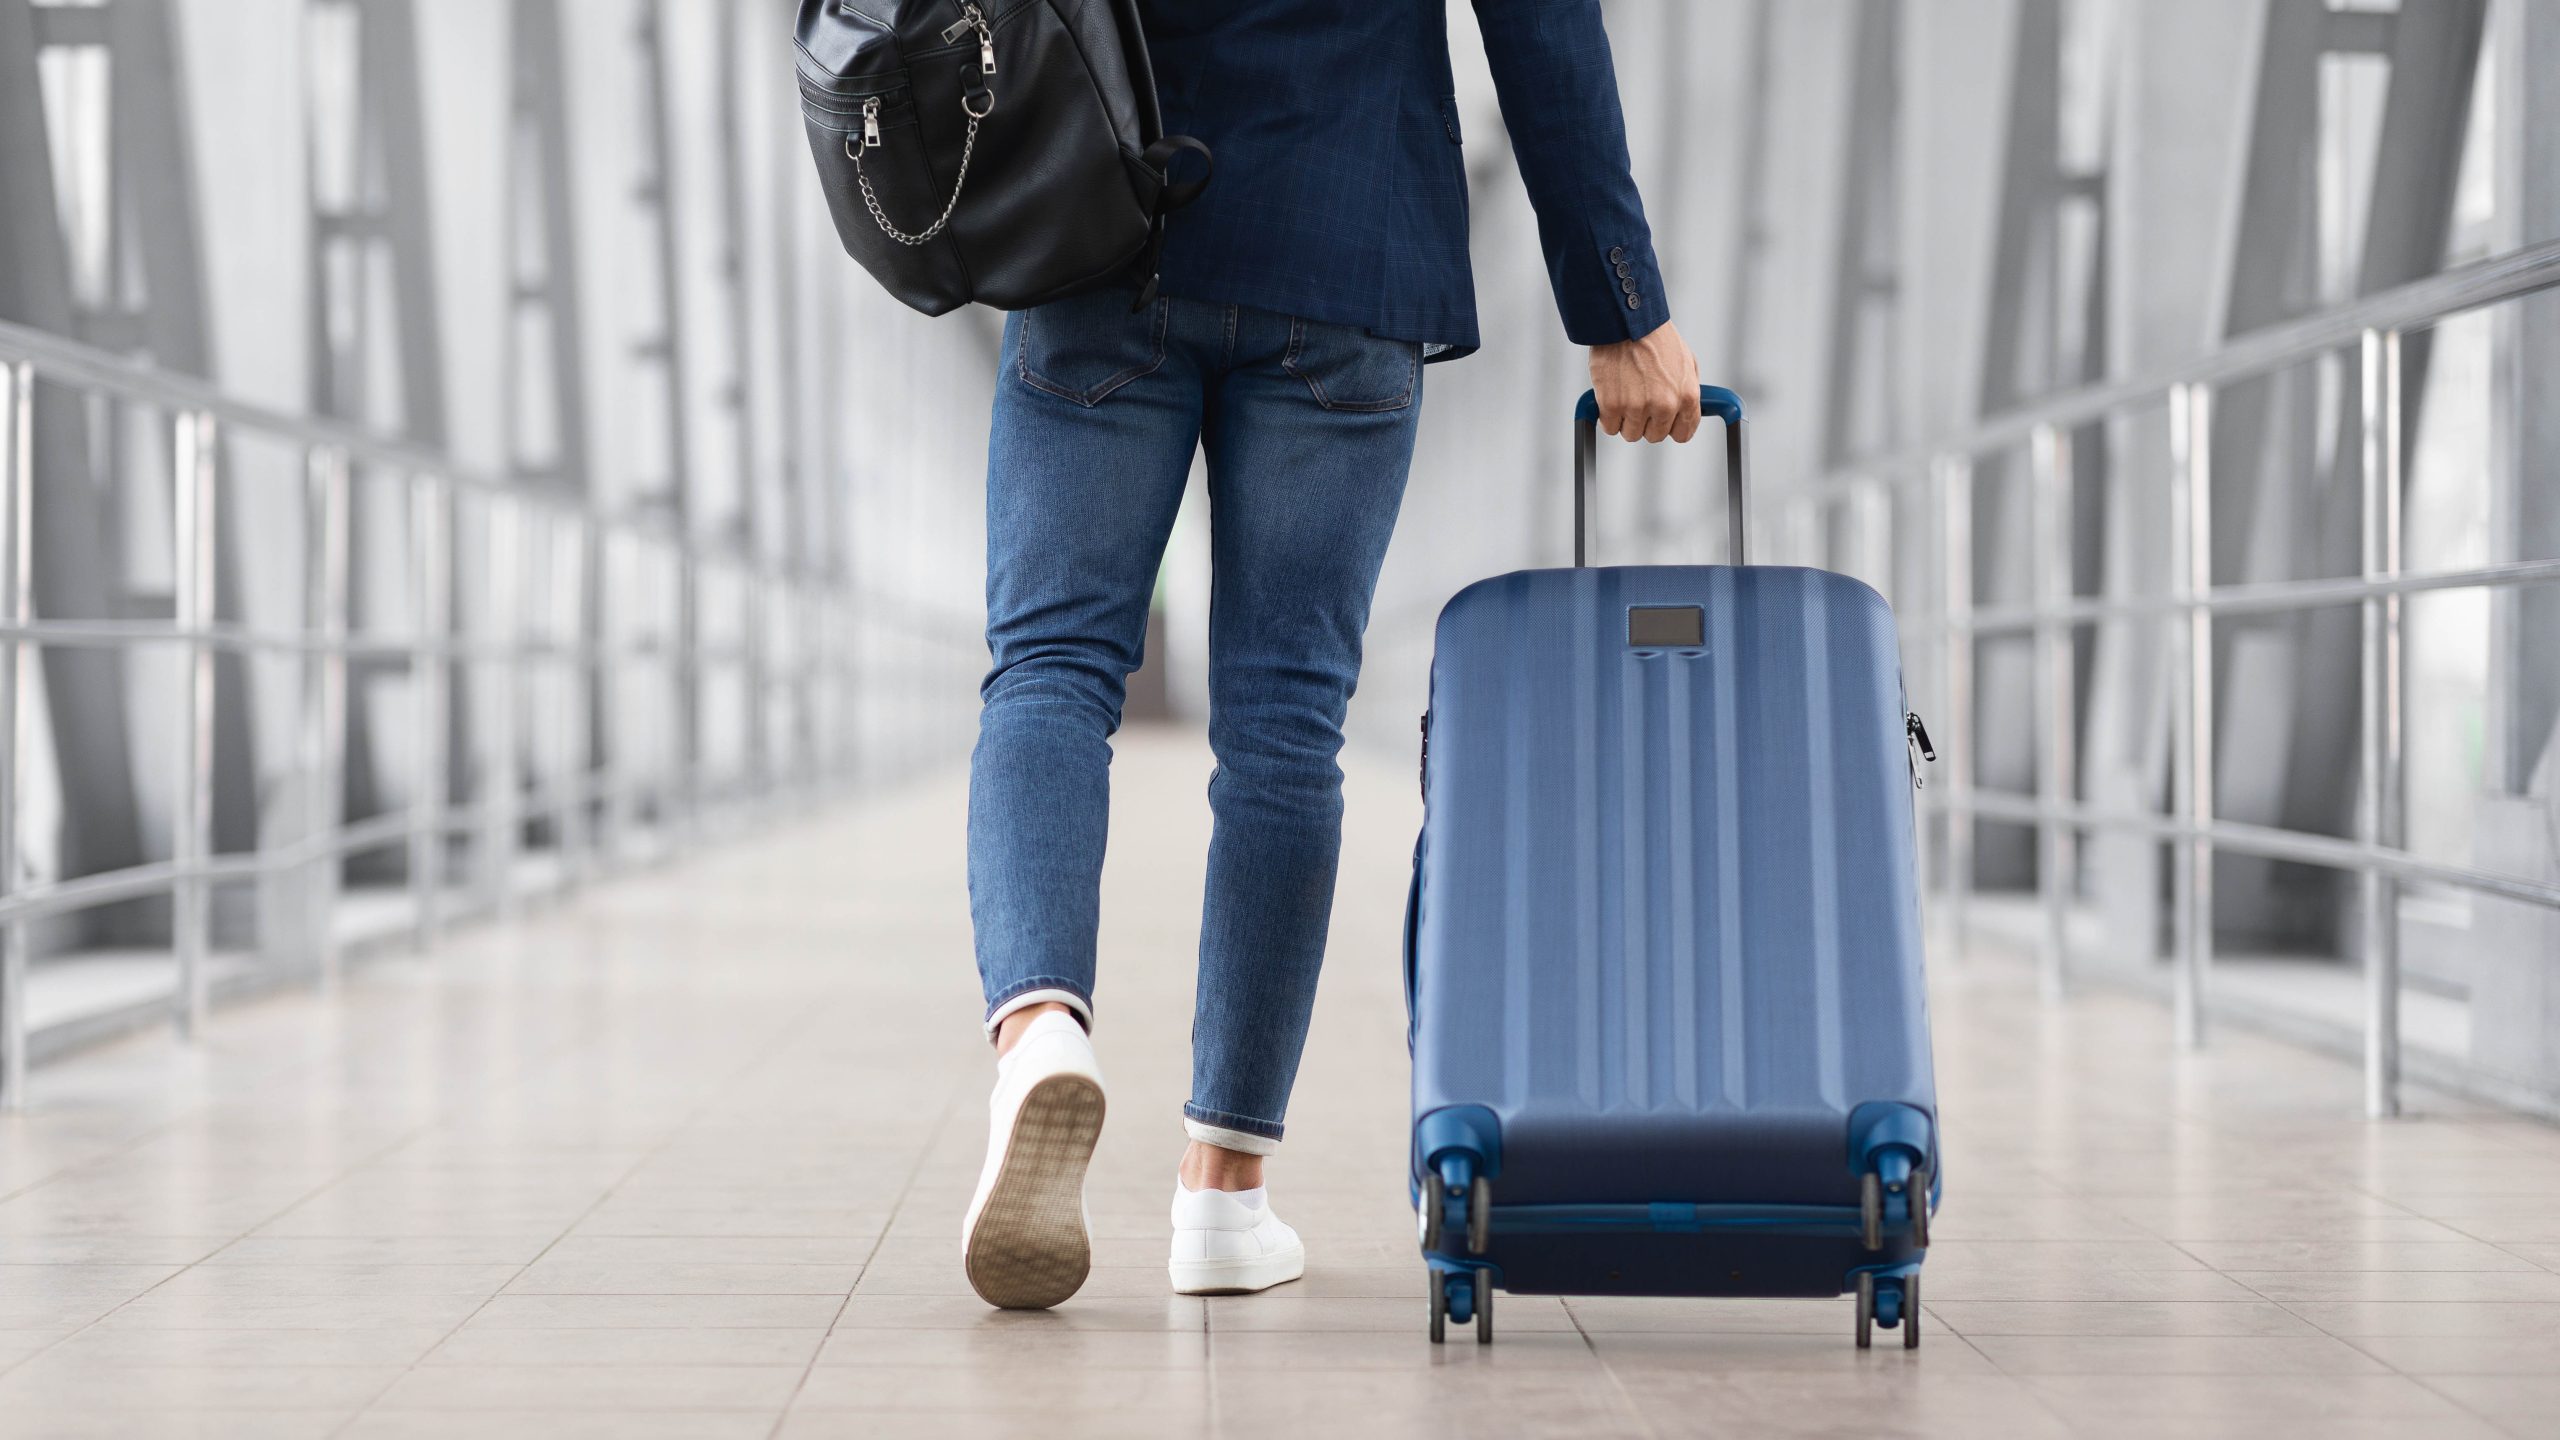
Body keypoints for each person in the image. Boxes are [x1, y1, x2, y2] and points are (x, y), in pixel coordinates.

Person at [961, 0, 1702, 1310]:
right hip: (1347, 242)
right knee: (1284, 730)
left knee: (1052, 674)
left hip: (1101, 225)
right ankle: (1223, 1196)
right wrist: (1618, 299)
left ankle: (1038, 1032)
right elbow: (1543, 28)